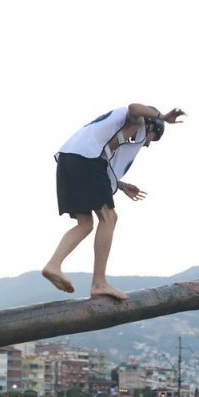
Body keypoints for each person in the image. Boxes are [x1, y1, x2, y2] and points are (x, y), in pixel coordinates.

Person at [42, 103, 186, 300]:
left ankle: (53, 265)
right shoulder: (137, 122)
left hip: (69, 161)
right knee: (109, 218)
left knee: (85, 224)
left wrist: (122, 185)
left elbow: (101, 162)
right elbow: (134, 107)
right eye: (154, 138)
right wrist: (163, 116)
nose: (147, 144)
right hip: (85, 160)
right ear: (151, 126)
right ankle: (99, 283)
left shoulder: (117, 133)